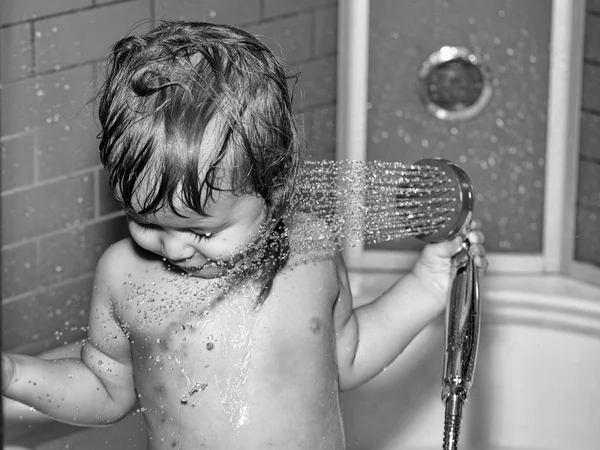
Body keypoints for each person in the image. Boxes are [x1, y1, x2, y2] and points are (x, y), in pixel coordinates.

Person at [1, 20, 487, 449]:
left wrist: (428, 283)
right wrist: (15, 375)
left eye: (204, 232)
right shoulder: (124, 275)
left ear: (273, 193)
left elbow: (348, 356)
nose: (172, 247)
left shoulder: (310, 249)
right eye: (146, 222)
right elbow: (103, 387)